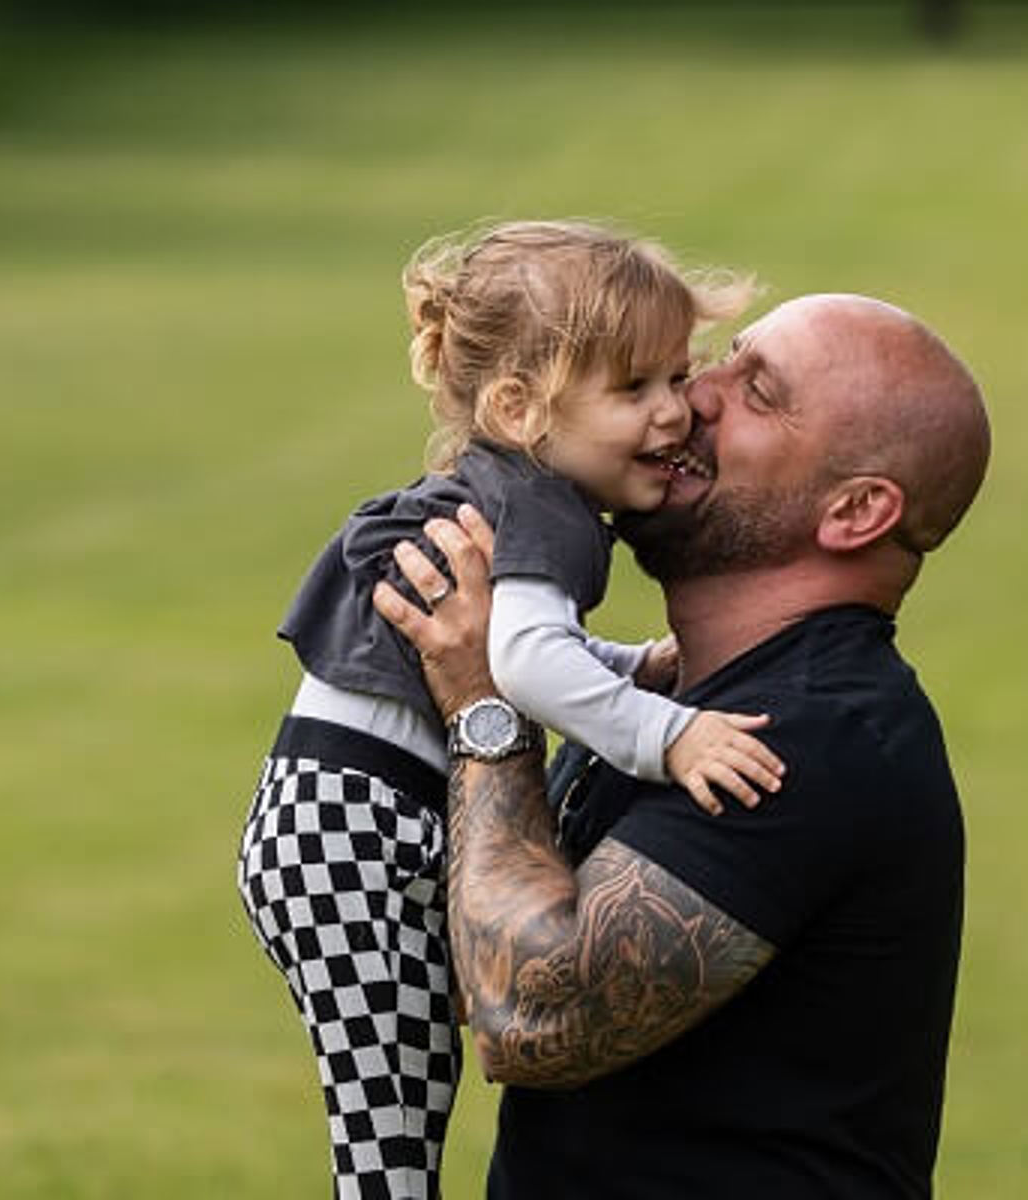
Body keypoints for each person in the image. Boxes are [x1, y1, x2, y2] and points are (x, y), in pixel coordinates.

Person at [375, 293, 991, 1198]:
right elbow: (482, 949)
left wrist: (485, 710)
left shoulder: (805, 739)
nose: (695, 396)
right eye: (724, 360)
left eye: (759, 391)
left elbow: (528, 1016)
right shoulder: (666, 702)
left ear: (856, 511)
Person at [234, 220, 785, 1200]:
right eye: (634, 389)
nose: (675, 414)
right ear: (520, 406)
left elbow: (515, 647)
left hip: (335, 827)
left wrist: (635, 665)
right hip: (353, 835)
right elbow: (526, 665)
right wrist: (671, 733)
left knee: (408, 1103)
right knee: (390, 1142)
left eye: (675, 376)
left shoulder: (518, 489)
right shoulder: (542, 509)